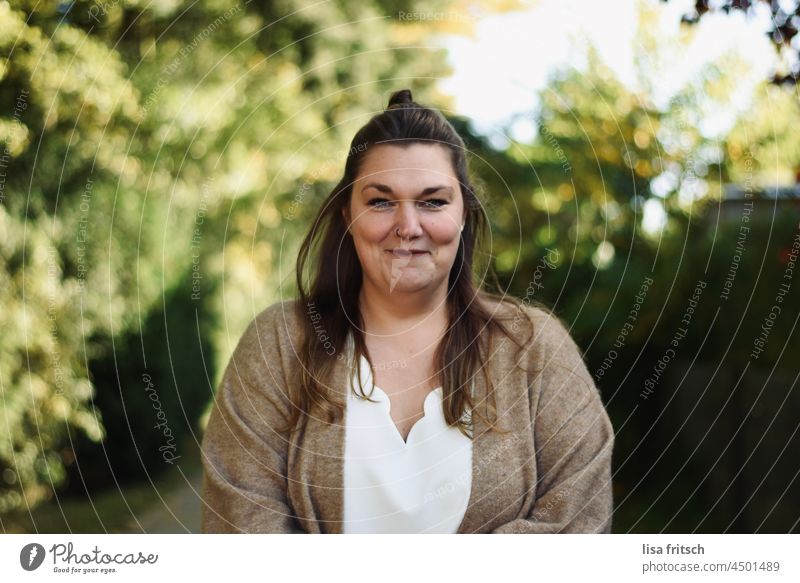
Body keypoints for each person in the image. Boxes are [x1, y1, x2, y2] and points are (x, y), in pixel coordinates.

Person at [200, 89, 615, 533]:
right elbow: (241, 525)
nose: (408, 226)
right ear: (348, 215)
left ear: (464, 213)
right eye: (380, 201)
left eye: (433, 201)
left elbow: (579, 523)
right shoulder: (279, 343)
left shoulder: (535, 347)